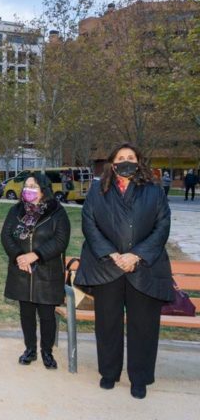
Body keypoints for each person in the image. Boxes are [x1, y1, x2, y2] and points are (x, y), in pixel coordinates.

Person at [74, 143, 172, 399]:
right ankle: (109, 372)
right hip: (107, 267)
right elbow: (89, 223)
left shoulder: (154, 190)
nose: (126, 161)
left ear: (138, 162)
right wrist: (113, 254)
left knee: (144, 326)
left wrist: (136, 255)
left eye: (131, 157)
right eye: (121, 157)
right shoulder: (97, 190)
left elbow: (162, 226)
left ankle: (139, 378)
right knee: (107, 324)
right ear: (112, 163)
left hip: (144, 267)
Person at [1, 172, 70, 369]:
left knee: (47, 315)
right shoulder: (16, 211)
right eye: (26, 186)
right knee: (26, 314)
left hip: (46, 271)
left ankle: (46, 351)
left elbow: (60, 241)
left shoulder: (57, 212)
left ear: (43, 190)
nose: (28, 190)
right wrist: (18, 257)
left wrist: (36, 254)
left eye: (33, 186)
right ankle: (30, 349)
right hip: (22, 270)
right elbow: (6, 236)